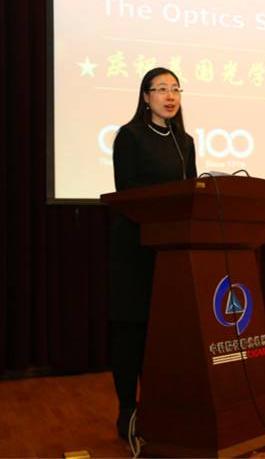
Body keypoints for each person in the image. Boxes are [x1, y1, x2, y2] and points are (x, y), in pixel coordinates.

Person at [108, 67, 197, 440]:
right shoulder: (130, 136)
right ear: (146, 97)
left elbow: (191, 193)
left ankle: (163, 405)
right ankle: (128, 409)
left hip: (171, 251)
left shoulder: (184, 141)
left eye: (175, 88)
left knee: (166, 332)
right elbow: (127, 191)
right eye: (161, 89)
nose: (169, 95)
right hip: (135, 246)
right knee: (132, 328)